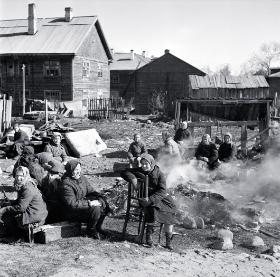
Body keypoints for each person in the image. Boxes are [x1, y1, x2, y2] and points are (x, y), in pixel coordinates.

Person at [121, 153, 178, 250]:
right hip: (145, 198)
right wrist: (134, 179)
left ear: (151, 163)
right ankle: (149, 238)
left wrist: (151, 199)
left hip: (159, 197)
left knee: (171, 209)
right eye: (142, 163)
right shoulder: (140, 170)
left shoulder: (159, 174)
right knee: (152, 208)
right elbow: (124, 172)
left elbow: (162, 191)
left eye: (146, 164)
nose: (143, 166)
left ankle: (168, 242)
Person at [60, 160, 110, 239]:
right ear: (70, 171)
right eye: (76, 170)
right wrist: (89, 203)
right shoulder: (66, 184)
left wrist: (101, 197)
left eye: (79, 169)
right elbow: (72, 204)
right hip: (72, 212)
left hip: (82, 205)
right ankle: (90, 230)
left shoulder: (82, 178)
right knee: (95, 209)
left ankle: (98, 227)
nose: (78, 172)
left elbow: (90, 190)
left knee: (104, 202)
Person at [0, 166, 48, 239]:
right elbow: (22, 201)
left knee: (7, 216)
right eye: (17, 176)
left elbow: (21, 208)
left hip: (34, 216)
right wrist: (11, 203)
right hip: (36, 213)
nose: (19, 178)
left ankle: (15, 236)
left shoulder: (27, 188)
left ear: (26, 176)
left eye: (22, 176)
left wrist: (5, 209)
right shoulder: (26, 184)